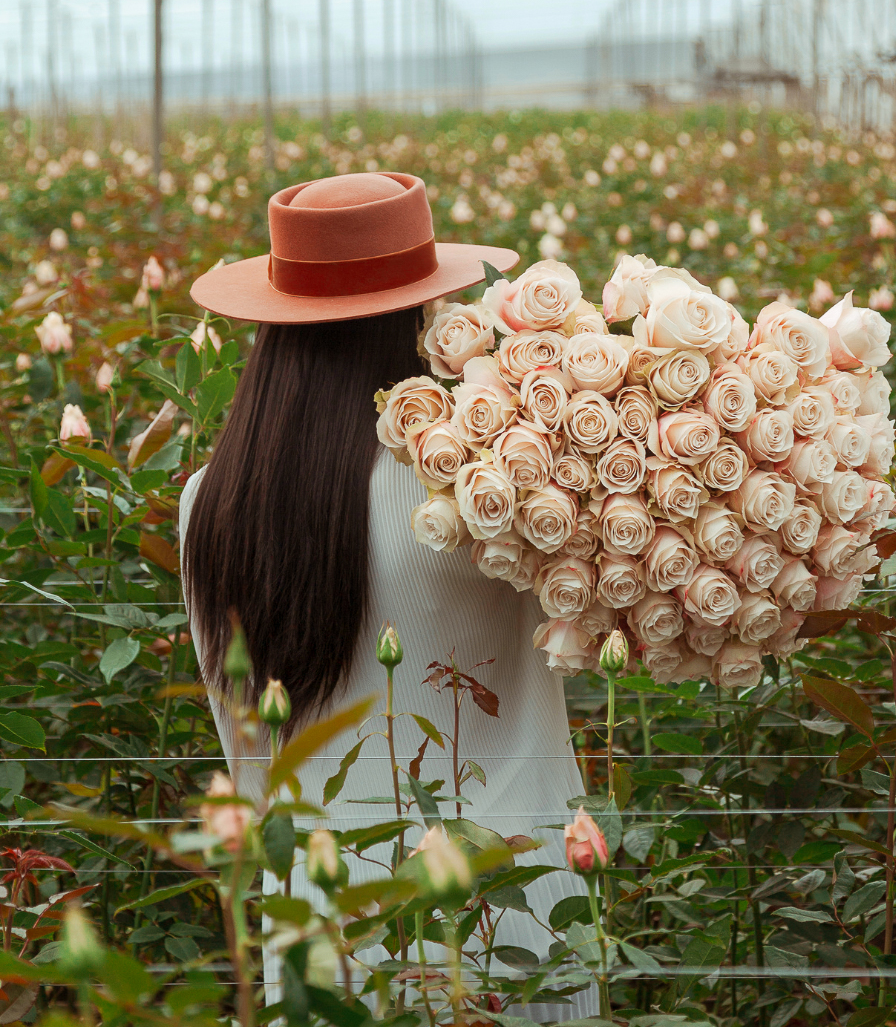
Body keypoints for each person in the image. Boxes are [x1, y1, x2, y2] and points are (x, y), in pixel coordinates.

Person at [178, 172, 597, 1019]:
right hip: (510, 910)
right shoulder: (486, 482)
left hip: (321, 917)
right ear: (426, 311)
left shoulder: (209, 503)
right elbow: (587, 655)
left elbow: (247, 747)